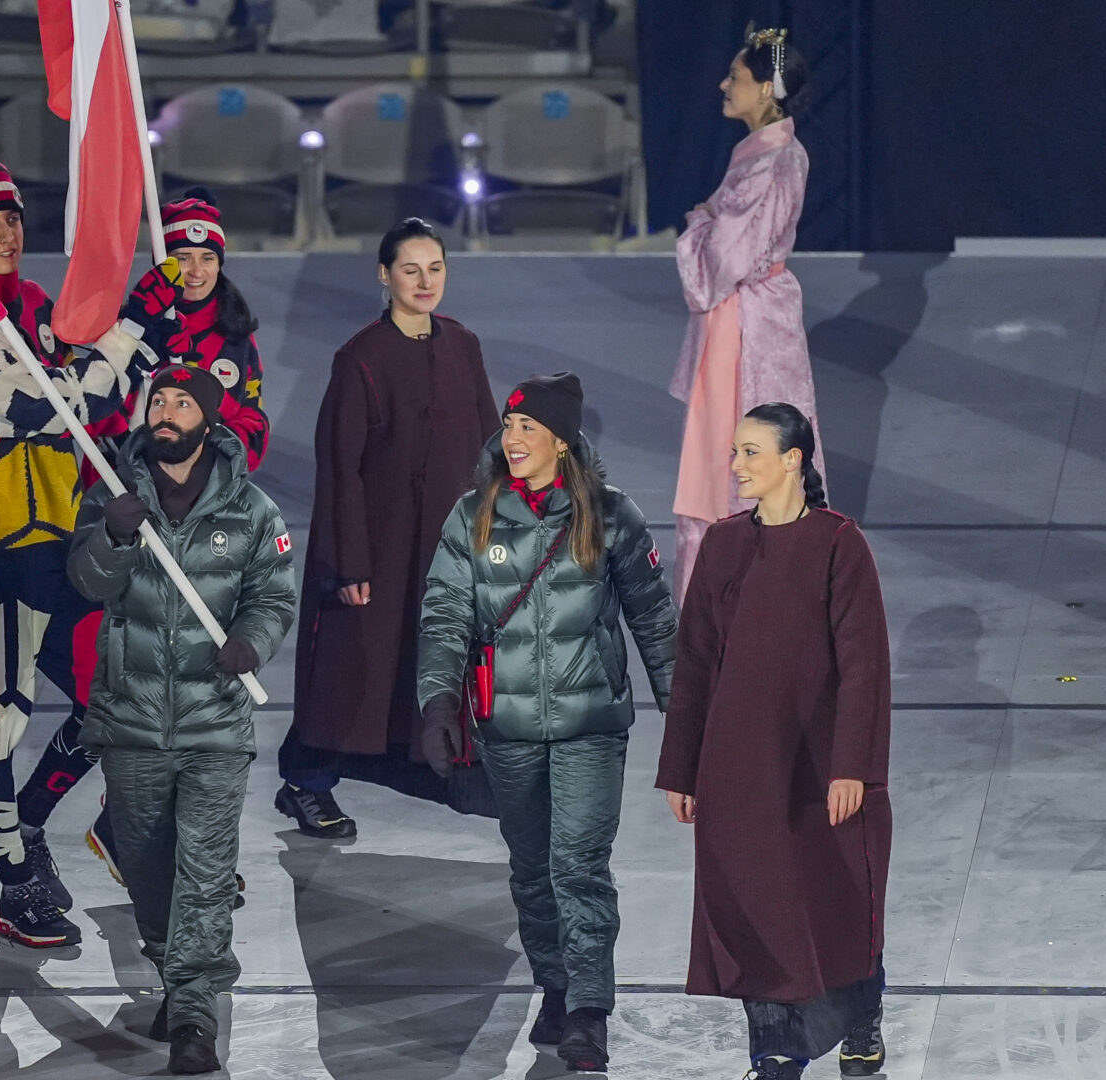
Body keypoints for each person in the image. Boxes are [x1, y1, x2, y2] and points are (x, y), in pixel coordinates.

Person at [0, 150, 162, 946]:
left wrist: (139, 366)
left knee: (109, 698)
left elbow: (104, 404)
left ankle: (22, 818)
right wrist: (127, 333)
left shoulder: (36, 309)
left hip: (53, 540)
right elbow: (54, 406)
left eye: (14, 216)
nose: (8, 232)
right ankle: (15, 878)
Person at [417, 374, 676, 1073]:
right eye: (508, 425)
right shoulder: (473, 515)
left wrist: (684, 718)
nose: (513, 439)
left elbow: (654, 617)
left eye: (528, 427)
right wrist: (438, 703)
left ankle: (589, 1007)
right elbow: (444, 615)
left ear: (561, 441)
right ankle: (556, 987)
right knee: (532, 871)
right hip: (510, 729)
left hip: (592, 723)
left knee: (578, 866)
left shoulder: (610, 514)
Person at [16, 185, 272, 886]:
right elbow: (88, 411)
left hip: (192, 538)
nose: (193, 269)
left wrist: (210, 456)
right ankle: (27, 821)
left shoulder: (234, 341)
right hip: (117, 529)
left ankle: (128, 834)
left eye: (205, 258)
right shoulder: (133, 328)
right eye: (181, 256)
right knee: (108, 692)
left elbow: (252, 426)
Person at [66, 365, 296, 1075]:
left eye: (181, 404)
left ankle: (195, 1013)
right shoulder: (114, 495)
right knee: (145, 866)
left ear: (209, 421)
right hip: (132, 723)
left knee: (204, 872)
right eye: (158, 401)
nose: (165, 413)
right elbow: (86, 580)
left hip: (214, 727)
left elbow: (273, 596)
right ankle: (175, 971)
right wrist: (110, 533)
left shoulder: (251, 510)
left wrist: (251, 643)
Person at [655, 403, 891, 1080]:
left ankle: (861, 1019)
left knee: (832, 904)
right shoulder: (724, 545)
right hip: (738, 767)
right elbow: (695, 661)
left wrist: (853, 767)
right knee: (753, 907)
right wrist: (683, 769)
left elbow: (864, 667)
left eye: (751, 452)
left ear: (793, 458)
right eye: (735, 452)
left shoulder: (838, 544)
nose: (736, 466)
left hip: (818, 767)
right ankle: (776, 1051)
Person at [281, 217, 500, 837]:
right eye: (411, 269)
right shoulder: (360, 360)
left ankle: (434, 769)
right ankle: (307, 780)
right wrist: (349, 564)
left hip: (445, 545)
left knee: (427, 663)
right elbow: (340, 468)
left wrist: (495, 533)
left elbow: (491, 448)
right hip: (377, 549)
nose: (425, 281)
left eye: (435, 269)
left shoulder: (463, 344)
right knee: (355, 671)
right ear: (385, 276)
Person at [669, 25, 825, 603]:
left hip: (744, 321)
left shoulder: (773, 161)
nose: (723, 84)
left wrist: (699, 225)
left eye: (735, 77)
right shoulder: (768, 153)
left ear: (765, 89)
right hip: (753, 313)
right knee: (741, 449)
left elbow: (721, 256)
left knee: (729, 456)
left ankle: (729, 595)